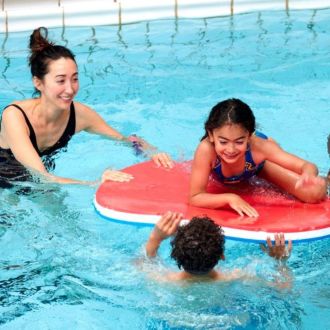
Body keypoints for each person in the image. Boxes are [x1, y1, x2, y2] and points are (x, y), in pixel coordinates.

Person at [0, 27, 173, 187]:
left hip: (40, 180)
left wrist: (153, 152)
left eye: (74, 79)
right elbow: (42, 176)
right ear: (38, 83)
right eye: (61, 80)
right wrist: (95, 183)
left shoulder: (80, 115)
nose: (70, 89)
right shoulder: (15, 116)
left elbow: (125, 140)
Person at [189, 98, 326, 217]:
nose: (231, 150)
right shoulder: (207, 150)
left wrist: (308, 175)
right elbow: (195, 197)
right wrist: (229, 198)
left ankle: (273, 144)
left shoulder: (258, 147)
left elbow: (307, 165)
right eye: (223, 142)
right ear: (211, 135)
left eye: (239, 141)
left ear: (249, 136)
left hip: (257, 167)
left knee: (314, 192)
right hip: (245, 165)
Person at [145, 211, 292, 282]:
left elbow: (145, 261)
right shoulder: (236, 277)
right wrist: (281, 262)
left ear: (175, 254)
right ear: (222, 255)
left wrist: (155, 238)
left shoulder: (162, 279)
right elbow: (284, 289)